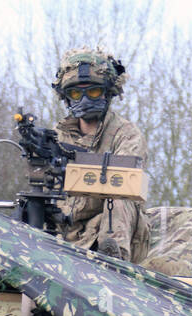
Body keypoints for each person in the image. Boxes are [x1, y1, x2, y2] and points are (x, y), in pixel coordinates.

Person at [51, 48, 151, 263]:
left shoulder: (126, 134)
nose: (85, 99)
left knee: (121, 193)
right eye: (76, 93)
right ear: (67, 97)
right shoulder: (56, 137)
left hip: (110, 228)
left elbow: (126, 185)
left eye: (94, 92)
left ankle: (113, 263)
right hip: (65, 230)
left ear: (107, 92)